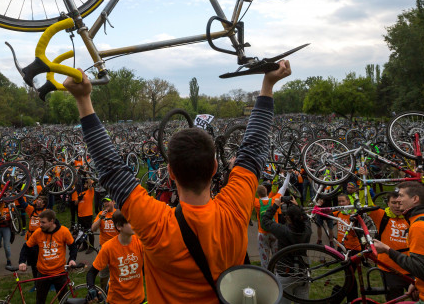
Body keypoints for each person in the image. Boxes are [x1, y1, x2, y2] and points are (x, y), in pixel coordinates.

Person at [63, 60, 292, 303]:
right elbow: (254, 149)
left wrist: (83, 99)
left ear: (170, 172)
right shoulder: (234, 209)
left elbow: (111, 170)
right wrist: (268, 84)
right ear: (214, 168)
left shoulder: (157, 225)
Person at [372, 182, 424, 304]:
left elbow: (423, 271)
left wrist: (387, 250)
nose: (398, 199)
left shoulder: (419, 227)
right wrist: (417, 282)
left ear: (415, 199)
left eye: (401, 196)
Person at [18, 209, 78, 304]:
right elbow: (26, 247)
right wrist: (22, 261)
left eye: (43, 222)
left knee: (64, 301)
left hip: (60, 273)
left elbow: (73, 246)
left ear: (52, 221)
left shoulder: (64, 231)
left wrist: (72, 259)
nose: (40, 225)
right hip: (43, 273)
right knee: (40, 301)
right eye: (39, 222)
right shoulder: (38, 233)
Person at [86, 210, 145, 304]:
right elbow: (91, 273)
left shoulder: (140, 242)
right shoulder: (108, 247)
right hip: (117, 300)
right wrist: (91, 288)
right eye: (129, 222)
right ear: (119, 226)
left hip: (138, 299)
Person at [260, 197, 311, 301]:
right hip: (303, 272)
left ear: (287, 218)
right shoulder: (307, 229)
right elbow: (306, 219)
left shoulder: (283, 230)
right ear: (300, 216)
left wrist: (275, 206)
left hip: (285, 272)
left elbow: (265, 221)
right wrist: (298, 207)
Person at [368, 190, 411, 301]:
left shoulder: (412, 217)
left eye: (400, 203)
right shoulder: (382, 215)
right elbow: (368, 204)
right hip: (389, 268)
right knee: (393, 299)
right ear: (388, 203)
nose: (397, 206)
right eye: (393, 203)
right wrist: (362, 181)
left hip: (411, 267)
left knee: (419, 298)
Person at [91, 195, 117, 290]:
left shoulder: (118, 214)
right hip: (104, 248)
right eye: (104, 202)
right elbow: (93, 229)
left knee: (117, 271)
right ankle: (103, 293)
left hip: (116, 248)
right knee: (103, 272)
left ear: (113, 202)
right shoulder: (101, 214)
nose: (105, 203)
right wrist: (101, 218)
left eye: (108, 201)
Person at [24, 196, 48, 278]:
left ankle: (47, 281)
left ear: (43, 203)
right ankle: (36, 282)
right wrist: (20, 194)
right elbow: (23, 204)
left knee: (43, 262)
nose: (38, 201)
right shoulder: (32, 210)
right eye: (38, 199)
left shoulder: (46, 212)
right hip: (30, 240)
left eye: (40, 200)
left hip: (40, 241)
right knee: (33, 264)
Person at [76, 178, 96, 253]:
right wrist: (78, 200)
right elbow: (75, 203)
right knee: (82, 231)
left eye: (86, 184)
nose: (85, 185)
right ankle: (84, 245)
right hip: (80, 215)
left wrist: (86, 174)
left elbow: (90, 183)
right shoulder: (81, 193)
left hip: (87, 215)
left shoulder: (90, 191)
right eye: (84, 184)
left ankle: (91, 247)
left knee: (89, 231)